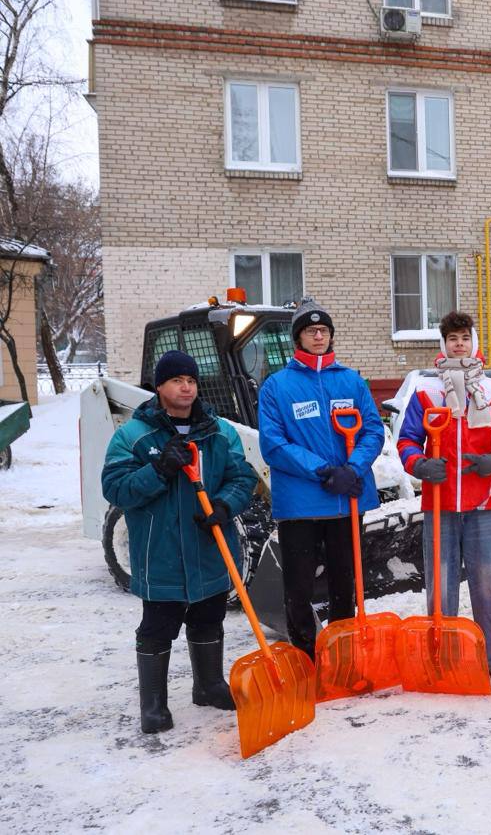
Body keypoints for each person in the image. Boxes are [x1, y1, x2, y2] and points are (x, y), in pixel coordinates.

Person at [102, 350, 259, 734]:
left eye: (190, 380)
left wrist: (225, 506)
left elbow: (243, 478)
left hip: (210, 546)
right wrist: (158, 470)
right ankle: (153, 705)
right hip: (161, 550)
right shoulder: (134, 436)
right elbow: (115, 488)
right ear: (159, 387)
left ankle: (208, 686)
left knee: (209, 618)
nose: (185, 387)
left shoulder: (219, 431)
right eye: (176, 380)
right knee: (158, 626)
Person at [396, 311, 491, 684]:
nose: (459, 344)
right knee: (441, 581)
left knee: (488, 581)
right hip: (440, 503)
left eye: (465, 338)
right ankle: (444, 651)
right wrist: (418, 464)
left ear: (474, 342)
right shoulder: (427, 390)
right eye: (452, 339)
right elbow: (405, 440)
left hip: (483, 502)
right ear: (443, 344)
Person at [256, 299, 384, 660]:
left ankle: (342, 654)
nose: (318, 336)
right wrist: (324, 470)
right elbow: (273, 443)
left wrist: (353, 469)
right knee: (298, 584)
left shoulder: (350, 381)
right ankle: (306, 656)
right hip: (301, 504)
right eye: (311, 331)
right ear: (298, 337)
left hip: (347, 500)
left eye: (324, 331)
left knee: (346, 582)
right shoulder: (277, 387)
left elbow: (373, 430)